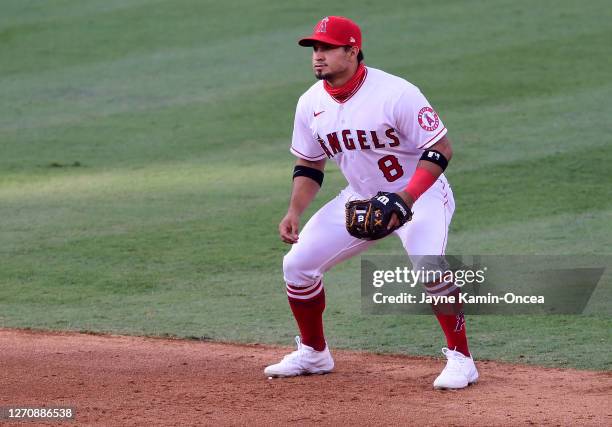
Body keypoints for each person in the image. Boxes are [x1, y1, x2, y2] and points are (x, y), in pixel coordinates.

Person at [264, 16, 478, 389]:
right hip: (359, 198)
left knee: (429, 266)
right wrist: (294, 211)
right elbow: (310, 163)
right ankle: (314, 353)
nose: (318, 56)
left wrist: (405, 198)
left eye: (327, 48)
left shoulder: (396, 93)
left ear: (352, 49)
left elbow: (441, 148)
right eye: (315, 48)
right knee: (297, 266)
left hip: (420, 195)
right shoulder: (310, 103)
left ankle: (462, 359)